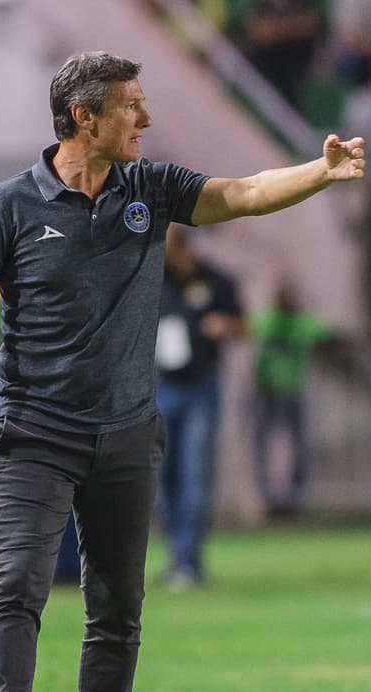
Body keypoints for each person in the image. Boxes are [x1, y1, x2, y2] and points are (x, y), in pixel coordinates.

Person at [0, 51, 365, 692]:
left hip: (127, 437)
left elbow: (240, 194)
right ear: (86, 117)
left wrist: (319, 170)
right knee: (18, 587)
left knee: (117, 609)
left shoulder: (151, 188)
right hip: (33, 433)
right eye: (132, 106)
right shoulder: (9, 204)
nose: (145, 118)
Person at [155, 225, 246, 589]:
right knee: (163, 477)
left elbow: (243, 327)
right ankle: (177, 557)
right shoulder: (151, 283)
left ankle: (189, 561)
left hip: (200, 389)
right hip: (159, 388)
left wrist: (225, 326)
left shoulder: (216, 281)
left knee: (195, 477)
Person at [250, 281, 331, 518]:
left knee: (299, 446)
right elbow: (244, 328)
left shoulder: (300, 323)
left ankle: (294, 497)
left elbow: (326, 333)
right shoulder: (266, 320)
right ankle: (267, 498)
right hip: (265, 392)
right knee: (262, 447)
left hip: (291, 392)